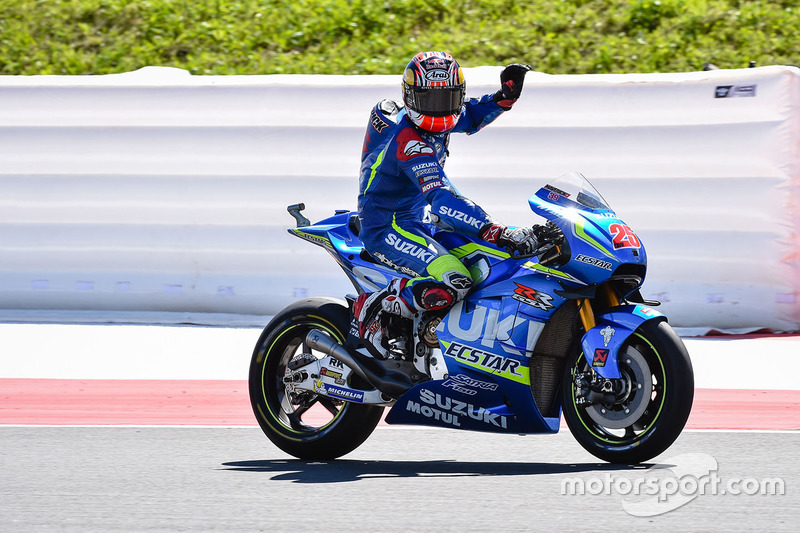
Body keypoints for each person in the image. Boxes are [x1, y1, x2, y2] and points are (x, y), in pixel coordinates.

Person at [354, 50, 538, 359]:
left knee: (487, 261)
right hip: (387, 225)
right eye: (430, 101)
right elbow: (441, 198)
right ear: (411, 97)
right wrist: (493, 229)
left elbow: (470, 115)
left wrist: (504, 98)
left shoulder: (435, 118)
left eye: (447, 99)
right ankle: (372, 313)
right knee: (455, 278)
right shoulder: (409, 142)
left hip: (418, 218)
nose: (439, 112)